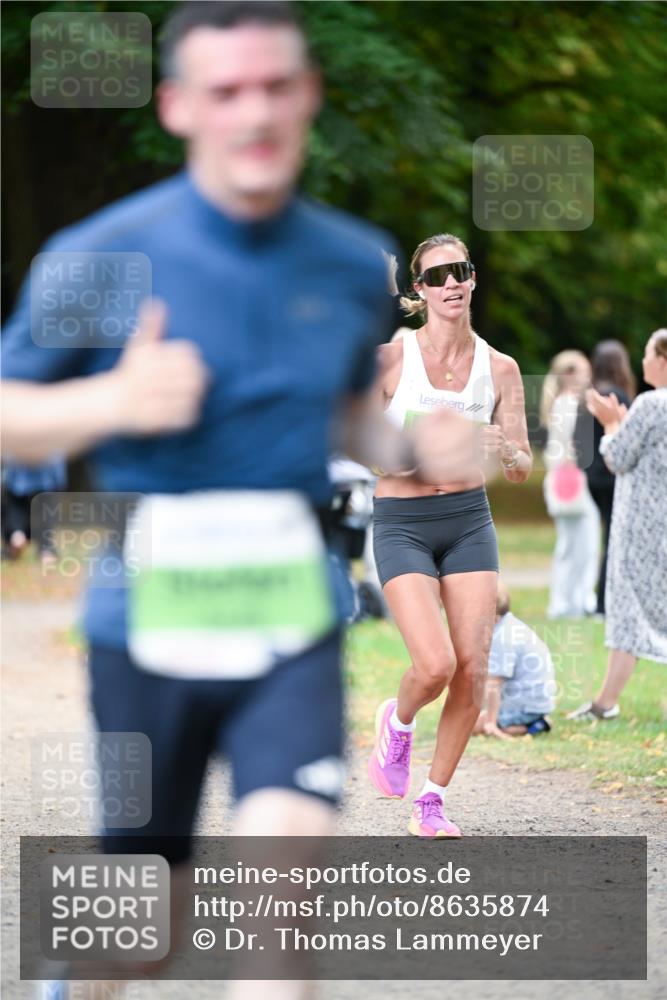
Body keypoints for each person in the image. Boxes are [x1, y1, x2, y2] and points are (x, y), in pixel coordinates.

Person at [2, 4, 475, 996]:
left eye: (273, 87)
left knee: (279, 921)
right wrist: (112, 400)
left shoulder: (352, 263)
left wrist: (401, 442)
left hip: (287, 619)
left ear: (307, 95)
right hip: (149, 625)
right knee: (139, 930)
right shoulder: (100, 256)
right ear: (178, 106)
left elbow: (346, 413)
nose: (252, 113)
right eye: (225, 91)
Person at [367, 232, 532, 838]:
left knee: (472, 664)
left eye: (459, 271)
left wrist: (506, 447)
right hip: (403, 522)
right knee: (433, 663)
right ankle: (400, 720)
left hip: (468, 521)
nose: (450, 284)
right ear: (420, 290)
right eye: (436, 277)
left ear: (472, 278)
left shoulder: (501, 369)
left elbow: (520, 467)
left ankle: (432, 801)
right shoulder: (390, 360)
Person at [567, 329, 667, 721]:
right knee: (639, 611)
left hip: (640, 524)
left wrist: (611, 425)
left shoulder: (651, 403)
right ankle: (605, 702)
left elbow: (617, 456)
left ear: (661, 358)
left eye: (646, 353)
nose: (641, 362)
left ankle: (605, 704)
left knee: (629, 610)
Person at [574, 340, 635, 615]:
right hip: (613, 477)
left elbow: (579, 444)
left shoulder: (587, 397)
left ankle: (602, 602)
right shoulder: (617, 397)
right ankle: (605, 603)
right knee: (616, 539)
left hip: (592, 478)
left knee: (609, 537)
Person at [540, 350, 600, 619]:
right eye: (583, 371)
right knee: (580, 545)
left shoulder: (561, 404)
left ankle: (568, 602)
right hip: (571, 480)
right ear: (568, 375)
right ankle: (574, 601)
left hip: (565, 479)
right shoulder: (567, 404)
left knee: (572, 545)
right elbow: (569, 448)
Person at [473, 583, 555, 738]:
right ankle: (530, 720)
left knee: (471, 725)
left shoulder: (503, 638)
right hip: (533, 701)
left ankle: (534, 725)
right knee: (469, 715)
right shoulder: (509, 625)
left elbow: (494, 684)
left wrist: (490, 721)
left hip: (526, 705)